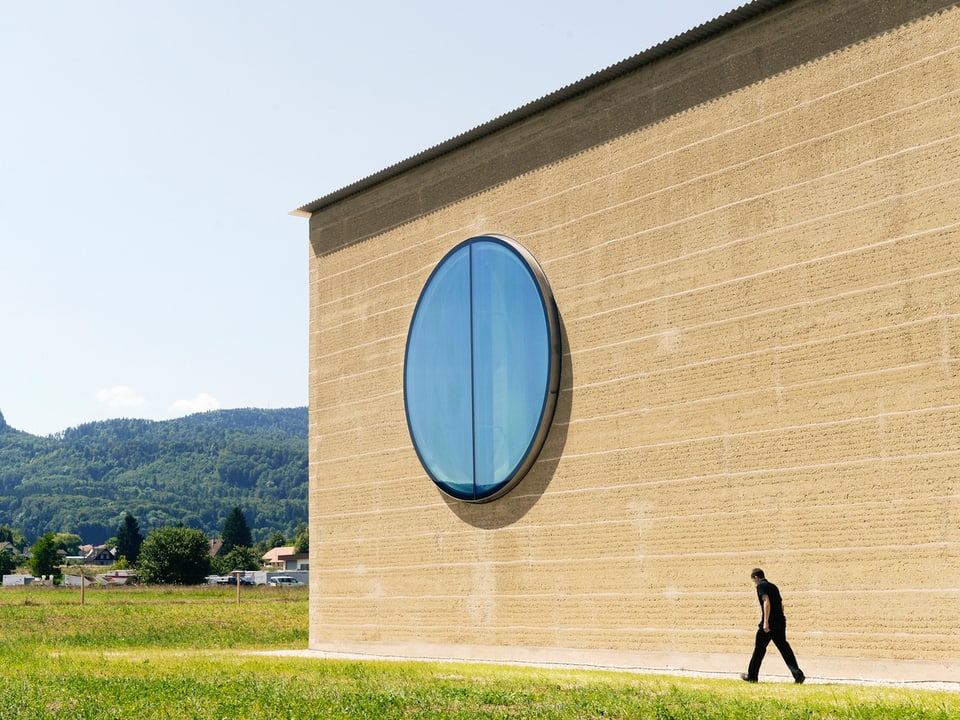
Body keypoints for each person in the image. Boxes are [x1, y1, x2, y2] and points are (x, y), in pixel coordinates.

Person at [741, 568, 805, 683]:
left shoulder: (761, 586)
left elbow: (766, 601)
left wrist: (766, 622)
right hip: (780, 623)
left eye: (753, 580)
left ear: (756, 577)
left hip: (769, 625)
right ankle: (798, 675)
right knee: (785, 649)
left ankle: (752, 676)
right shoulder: (774, 586)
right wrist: (780, 619)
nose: (754, 583)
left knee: (759, 650)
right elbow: (781, 605)